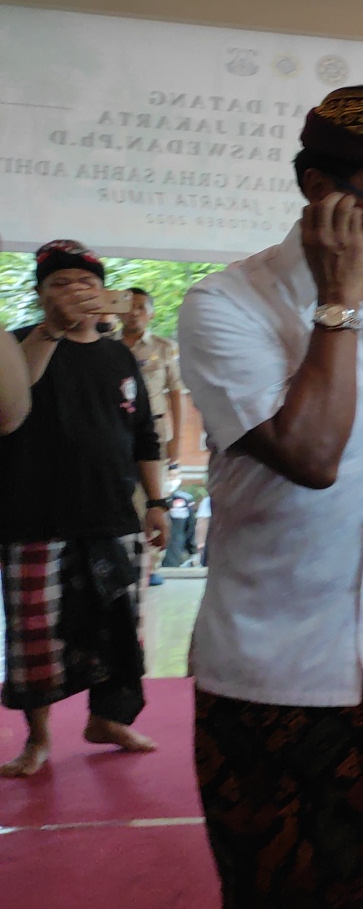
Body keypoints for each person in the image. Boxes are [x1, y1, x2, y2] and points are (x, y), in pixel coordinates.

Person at [177, 86, 363, 908]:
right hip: (277, 675)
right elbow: (311, 456)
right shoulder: (225, 305)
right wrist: (338, 306)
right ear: (315, 186)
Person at [0, 239, 169, 778]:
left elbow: (145, 434)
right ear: (39, 294)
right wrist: (50, 331)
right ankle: (39, 739)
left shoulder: (119, 354)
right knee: (36, 638)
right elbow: (8, 401)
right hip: (34, 519)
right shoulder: (19, 344)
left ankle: (108, 720)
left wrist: (159, 501)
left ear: (104, 294)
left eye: (86, 284)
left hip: (114, 515)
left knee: (118, 628)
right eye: (60, 284)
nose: (75, 292)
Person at [120, 287, 187, 587]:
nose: (133, 312)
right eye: (128, 306)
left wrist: (176, 441)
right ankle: (124, 558)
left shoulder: (164, 348)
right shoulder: (106, 345)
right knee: (121, 495)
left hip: (155, 432)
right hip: (118, 431)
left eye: (140, 307)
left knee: (155, 497)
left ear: (151, 313)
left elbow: (176, 394)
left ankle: (152, 564)